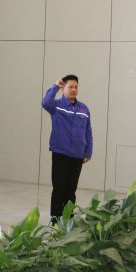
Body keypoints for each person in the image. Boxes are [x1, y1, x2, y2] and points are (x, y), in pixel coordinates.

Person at [42, 75, 93, 221]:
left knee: (71, 190)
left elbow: (88, 131)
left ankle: (68, 218)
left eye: (76, 87)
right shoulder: (56, 106)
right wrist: (55, 86)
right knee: (59, 188)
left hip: (77, 155)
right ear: (63, 88)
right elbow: (45, 102)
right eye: (70, 87)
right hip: (61, 153)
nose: (74, 89)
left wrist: (88, 151)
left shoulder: (84, 109)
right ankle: (55, 218)